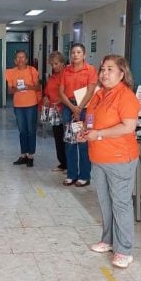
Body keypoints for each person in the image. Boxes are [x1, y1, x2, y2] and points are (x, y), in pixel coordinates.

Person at [81, 55, 141, 269]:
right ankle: (108, 240)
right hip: (98, 157)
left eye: (110, 69)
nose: (104, 73)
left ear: (122, 74)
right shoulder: (99, 94)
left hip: (119, 159)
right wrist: (85, 131)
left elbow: (128, 126)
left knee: (121, 203)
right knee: (105, 202)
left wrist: (98, 134)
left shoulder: (125, 96)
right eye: (102, 69)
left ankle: (124, 250)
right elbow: (91, 119)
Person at [58, 43, 98, 187]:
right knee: (70, 142)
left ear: (84, 55)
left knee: (83, 142)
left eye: (79, 52)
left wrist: (79, 108)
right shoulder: (65, 70)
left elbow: (91, 91)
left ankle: (84, 176)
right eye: (73, 52)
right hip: (69, 107)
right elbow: (61, 92)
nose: (75, 55)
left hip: (85, 108)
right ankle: (71, 174)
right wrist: (73, 108)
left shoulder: (90, 70)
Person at [5, 49, 40, 167]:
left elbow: (38, 87)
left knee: (31, 130)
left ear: (26, 59)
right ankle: (23, 154)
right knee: (22, 130)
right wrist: (17, 89)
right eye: (18, 57)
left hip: (31, 104)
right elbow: (10, 91)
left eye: (23, 57)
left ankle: (31, 156)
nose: (20, 59)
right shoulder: (10, 72)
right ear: (15, 60)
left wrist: (28, 87)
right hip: (18, 105)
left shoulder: (32, 70)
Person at [44, 51, 67, 172]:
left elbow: (70, 93)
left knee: (67, 138)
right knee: (58, 137)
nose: (54, 66)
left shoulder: (67, 75)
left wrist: (61, 100)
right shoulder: (52, 77)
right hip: (54, 110)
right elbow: (47, 91)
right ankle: (62, 163)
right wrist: (46, 97)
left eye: (56, 64)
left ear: (62, 63)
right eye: (52, 64)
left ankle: (70, 165)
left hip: (65, 110)